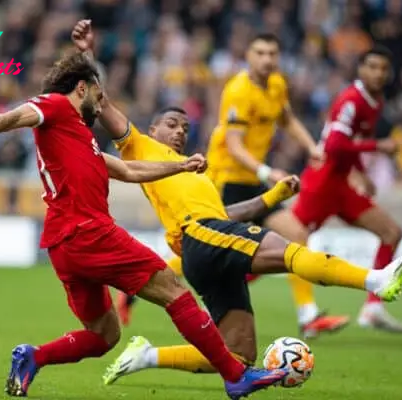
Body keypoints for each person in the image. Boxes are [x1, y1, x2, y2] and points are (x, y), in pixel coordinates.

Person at [68, 20, 402, 385]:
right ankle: (374, 281)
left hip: (205, 244)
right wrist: (86, 54)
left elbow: (228, 214)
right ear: (153, 130)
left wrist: (273, 196)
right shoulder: (140, 145)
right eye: (171, 124)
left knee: (238, 352)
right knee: (287, 248)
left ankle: (147, 356)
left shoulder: (196, 174)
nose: (180, 131)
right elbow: (101, 102)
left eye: (185, 127)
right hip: (200, 237)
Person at [0, 50, 287, 400]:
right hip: (88, 231)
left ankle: (33, 356)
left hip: (64, 246)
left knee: (105, 335)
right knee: (173, 290)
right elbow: (19, 114)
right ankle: (235, 376)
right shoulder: (58, 107)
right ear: (82, 88)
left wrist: (180, 167)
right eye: (98, 94)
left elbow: (128, 170)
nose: (101, 101)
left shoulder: (78, 137)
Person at [116, 33, 350, 339]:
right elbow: (234, 145)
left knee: (295, 234)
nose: (267, 59)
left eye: (272, 53)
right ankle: (137, 285)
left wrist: (311, 146)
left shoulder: (277, 85)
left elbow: (287, 118)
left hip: (253, 181)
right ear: (249, 57)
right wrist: (268, 171)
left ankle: (308, 316)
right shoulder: (238, 91)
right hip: (227, 180)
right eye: (260, 52)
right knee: (203, 254)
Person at [291, 46, 402, 333]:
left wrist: (361, 173)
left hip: (342, 185)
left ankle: (373, 309)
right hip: (321, 184)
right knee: (286, 246)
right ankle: (227, 289)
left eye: (383, 68)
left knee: (392, 233)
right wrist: (377, 147)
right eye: (372, 67)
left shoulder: (375, 101)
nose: (378, 73)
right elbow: (334, 146)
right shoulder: (351, 100)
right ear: (361, 69)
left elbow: (349, 143)